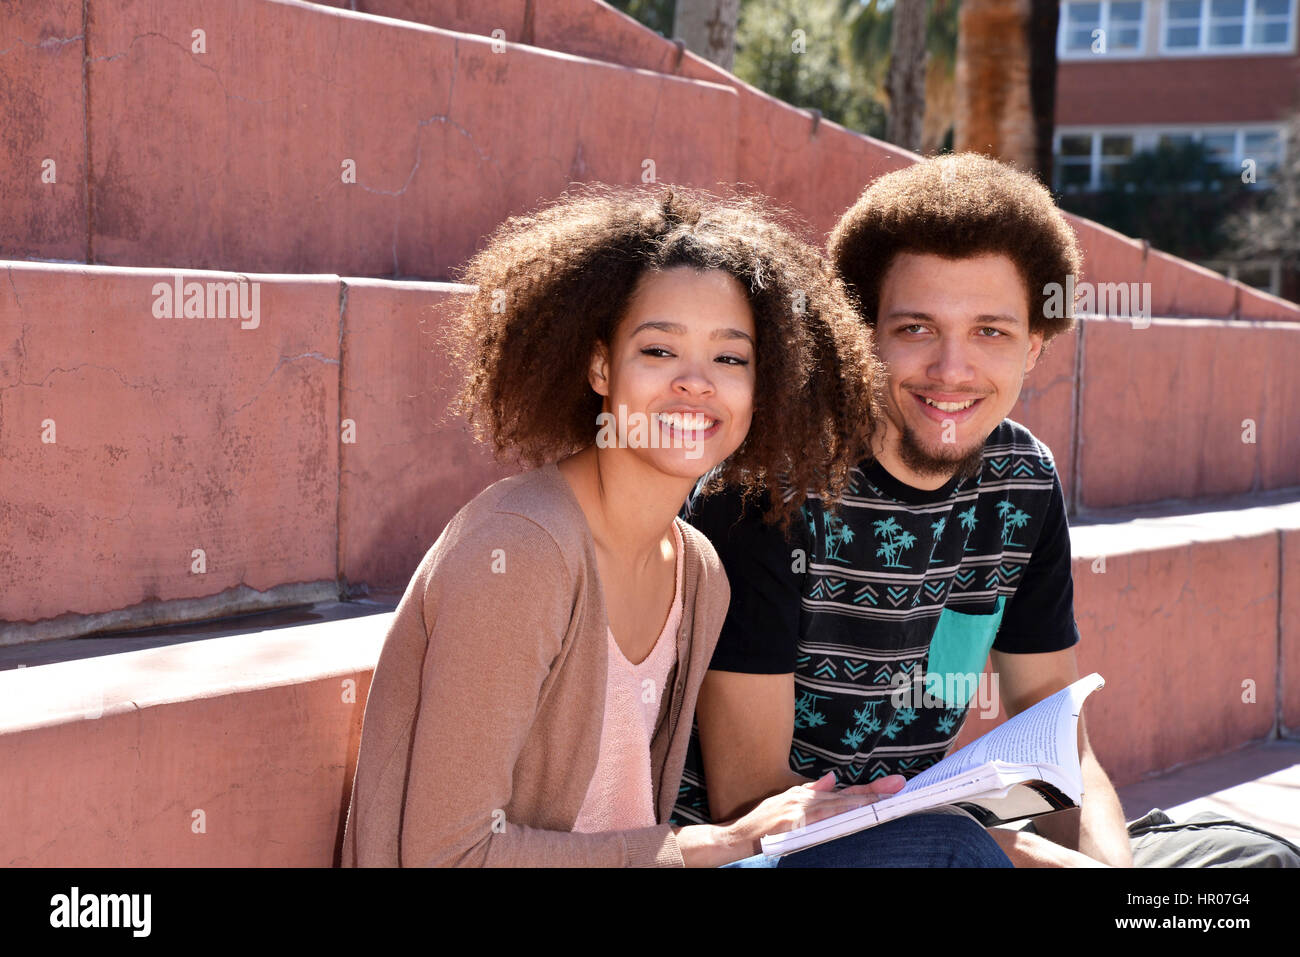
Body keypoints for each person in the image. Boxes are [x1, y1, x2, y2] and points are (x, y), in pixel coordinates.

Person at [339, 184, 955, 867]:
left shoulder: (698, 570)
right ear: (602, 365)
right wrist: (707, 845)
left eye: (730, 358)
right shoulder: (520, 549)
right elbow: (445, 855)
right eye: (659, 350)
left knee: (937, 845)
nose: (696, 382)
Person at [673, 153, 1134, 868]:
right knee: (959, 850)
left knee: (1244, 860)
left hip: (922, 827)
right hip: (772, 852)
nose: (952, 370)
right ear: (860, 334)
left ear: (1034, 346)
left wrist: (1115, 874)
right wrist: (1012, 850)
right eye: (916, 329)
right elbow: (749, 800)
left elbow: (1058, 729)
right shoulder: (767, 487)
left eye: (991, 331)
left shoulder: (1023, 481)